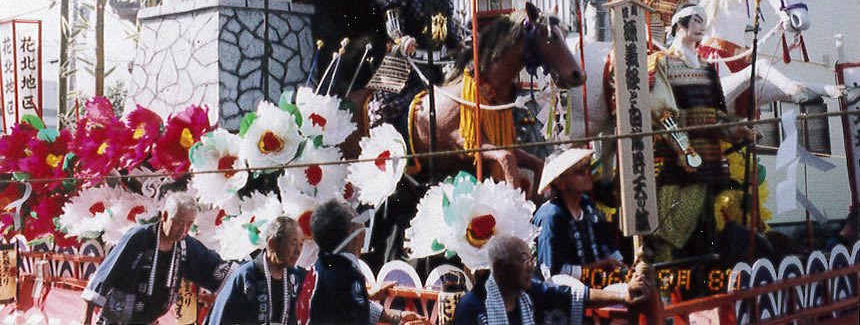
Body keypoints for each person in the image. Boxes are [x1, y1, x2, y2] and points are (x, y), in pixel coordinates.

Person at [647, 3, 755, 263]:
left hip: (706, 164)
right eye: (696, 20)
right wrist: (684, 149)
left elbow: (716, 114)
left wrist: (737, 129)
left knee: (705, 240)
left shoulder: (707, 68)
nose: (701, 26)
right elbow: (662, 114)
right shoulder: (661, 62)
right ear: (679, 24)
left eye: (703, 21)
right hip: (674, 167)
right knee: (671, 239)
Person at [81, 192, 232, 325]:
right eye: (178, 223)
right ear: (165, 216)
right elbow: (102, 278)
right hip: (118, 320)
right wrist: (86, 321)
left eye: (189, 225)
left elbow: (213, 268)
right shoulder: (138, 238)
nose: (183, 230)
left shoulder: (187, 246)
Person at [369, 0, 462, 136]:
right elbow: (392, 12)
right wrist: (400, 38)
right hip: (407, 60)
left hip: (437, 64)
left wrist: (459, 43)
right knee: (385, 109)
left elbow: (447, 22)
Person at [452, 235, 650, 325]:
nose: (531, 266)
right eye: (524, 261)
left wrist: (624, 295)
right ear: (501, 268)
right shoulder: (471, 307)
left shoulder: (529, 292)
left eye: (532, 260)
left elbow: (575, 295)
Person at [296, 199, 428, 325]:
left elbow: (346, 306)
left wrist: (396, 317)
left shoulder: (321, 267)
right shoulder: (346, 273)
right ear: (352, 230)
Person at [533, 148, 626, 280]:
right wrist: (599, 267)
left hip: (596, 286)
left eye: (588, 168)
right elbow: (553, 273)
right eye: (580, 172)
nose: (588, 174)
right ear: (560, 182)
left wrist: (621, 266)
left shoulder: (587, 205)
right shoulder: (550, 216)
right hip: (566, 295)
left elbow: (606, 243)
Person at [206, 216, 307, 325]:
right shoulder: (245, 275)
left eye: (301, 244)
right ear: (272, 243)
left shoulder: (298, 277)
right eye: (293, 244)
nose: (298, 251)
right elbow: (219, 319)